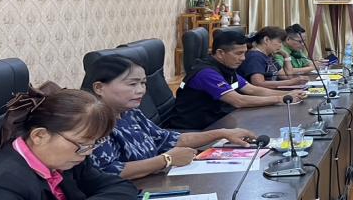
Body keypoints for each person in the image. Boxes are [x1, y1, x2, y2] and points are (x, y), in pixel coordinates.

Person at [0, 83, 144, 200]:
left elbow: (122, 187)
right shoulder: (5, 177)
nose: (88, 152)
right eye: (83, 144)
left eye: (93, 144)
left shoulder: (69, 160)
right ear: (39, 136)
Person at [84, 55, 258, 179]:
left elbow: (168, 139)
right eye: (132, 84)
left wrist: (222, 133)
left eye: (143, 83)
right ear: (99, 88)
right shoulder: (92, 122)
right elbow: (107, 171)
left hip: (153, 181)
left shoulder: (130, 113)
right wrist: (166, 160)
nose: (141, 90)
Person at [168, 30, 307, 130]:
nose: (243, 58)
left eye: (244, 53)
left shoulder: (226, 67)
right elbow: (239, 100)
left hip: (218, 120)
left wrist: (287, 94)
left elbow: (252, 89)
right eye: (238, 53)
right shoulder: (206, 73)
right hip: (196, 129)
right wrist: (281, 99)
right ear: (220, 53)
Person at [240, 26, 307, 89]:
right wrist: (291, 82)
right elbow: (258, 83)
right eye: (279, 42)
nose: (281, 46)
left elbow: (288, 76)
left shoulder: (269, 56)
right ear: (266, 40)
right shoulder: (255, 57)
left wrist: (286, 56)